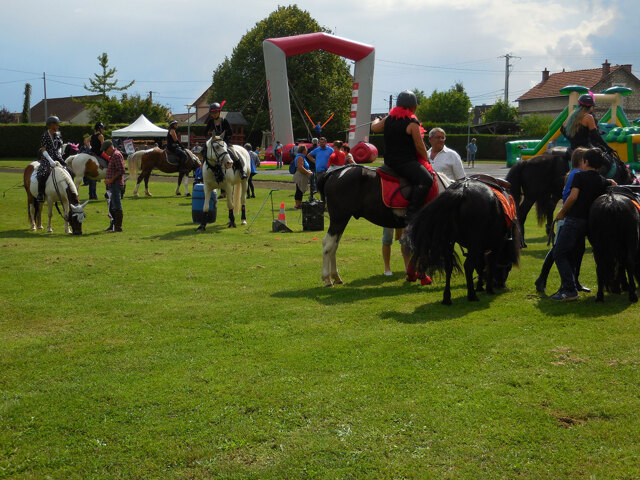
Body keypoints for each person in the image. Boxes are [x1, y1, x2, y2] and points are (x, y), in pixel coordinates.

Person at [550, 148, 617, 301]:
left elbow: (573, 197)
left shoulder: (579, 176)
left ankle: (569, 289)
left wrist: (562, 212)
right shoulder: (602, 181)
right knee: (575, 253)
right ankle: (573, 285)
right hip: (591, 222)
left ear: (585, 162)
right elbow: (613, 183)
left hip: (575, 219)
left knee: (559, 253)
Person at [371, 90, 433, 220]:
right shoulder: (412, 122)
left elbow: (374, 128)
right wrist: (427, 159)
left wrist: (378, 119)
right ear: (413, 106)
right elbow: (420, 146)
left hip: (389, 163)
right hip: (406, 163)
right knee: (426, 180)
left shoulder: (388, 119)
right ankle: (412, 214)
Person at [535, 148, 590, 294]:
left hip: (572, 218)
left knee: (576, 250)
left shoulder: (575, 174)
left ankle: (574, 281)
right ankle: (543, 279)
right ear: (581, 161)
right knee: (559, 250)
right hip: (568, 218)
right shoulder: (577, 174)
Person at [36, 116, 64, 203]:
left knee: (68, 169)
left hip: (57, 156)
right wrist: (51, 161)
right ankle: (40, 194)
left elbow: (60, 146)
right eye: (56, 124)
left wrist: (59, 154)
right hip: (46, 157)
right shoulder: (44, 135)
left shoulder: (58, 134)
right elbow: (43, 150)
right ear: (51, 125)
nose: (58, 126)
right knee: (42, 172)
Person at [103, 140, 126, 232]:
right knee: (112, 206)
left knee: (116, 205)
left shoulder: (116, 155)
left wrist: (110, 180)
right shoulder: (113, 155)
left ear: (109, 148)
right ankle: (113, 225)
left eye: (105, 150)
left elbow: (121, 170)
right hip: (112, 185)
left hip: (115, 184)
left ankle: (118, 227)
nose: (105, 152)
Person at [292, 144, 313, 209]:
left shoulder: (301, 157)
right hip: (300, 175)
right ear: (303, 150)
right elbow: (300, 167)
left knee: (300, 190)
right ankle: (297, 205)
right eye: (306, 149)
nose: (306, 151)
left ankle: (299, 204)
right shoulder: (300, 157)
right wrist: (308, 172)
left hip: (302, 174)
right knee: (299, 190)